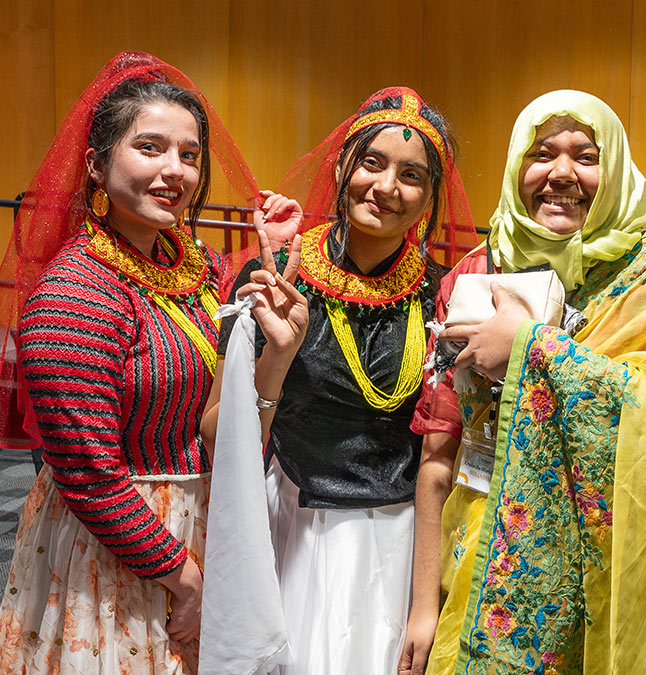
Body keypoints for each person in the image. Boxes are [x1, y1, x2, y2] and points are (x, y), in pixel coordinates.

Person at [403, 90, 646, 675]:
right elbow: (440, 451)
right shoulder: (482, 270)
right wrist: (422, 607)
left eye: (586, 155)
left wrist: (533, 348)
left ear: (614, 171)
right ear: (516, 168)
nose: (561, 174)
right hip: (481, 565)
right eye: (541, 154)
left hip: (608, 578)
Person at [0, 52, 260, 673]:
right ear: (97, 166)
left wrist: (275, 253)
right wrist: (183, 578)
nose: (174, 171)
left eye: (189, 154)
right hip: (119, 547)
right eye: (150, 148)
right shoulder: (74, 293)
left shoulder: (187, 263)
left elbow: (220, 331)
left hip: (196, 523)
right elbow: (89, 472)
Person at [199, 87, 476, 674]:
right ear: (343, 166)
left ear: (429, 200)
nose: (386, 188)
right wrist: (278, 354)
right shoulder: (276, 278)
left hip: (403, 541)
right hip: (299, 525)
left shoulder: (443, 294)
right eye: (371, 163)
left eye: (412, 175)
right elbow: (216, 435)